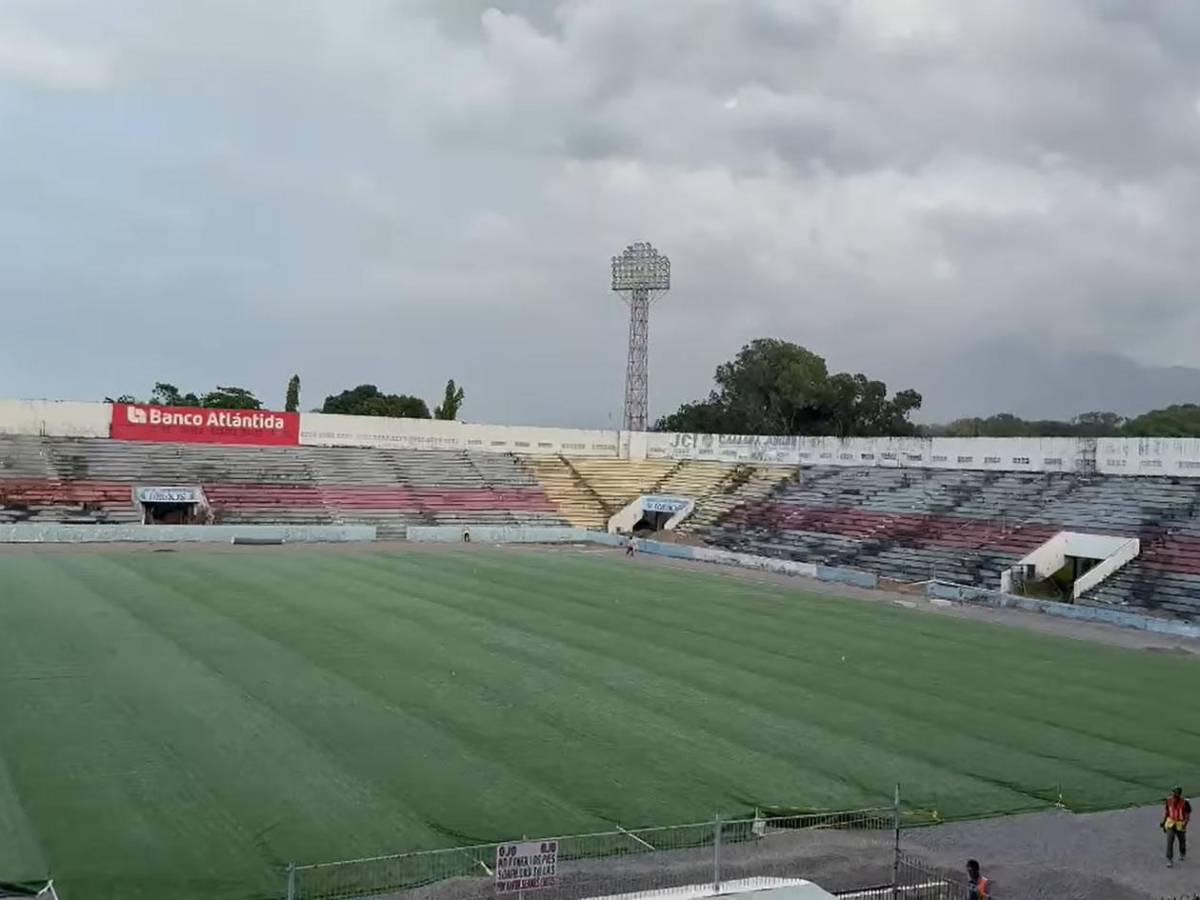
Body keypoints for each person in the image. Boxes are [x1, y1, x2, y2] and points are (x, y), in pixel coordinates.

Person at [1164, 785, 1191, 867]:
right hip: (1171, 823)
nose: (1173, 794)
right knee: (1170, 841)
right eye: (1173, 792)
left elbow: (1187, 815)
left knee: (1182, 840)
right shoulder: (1168, 801)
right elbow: (1167, 812)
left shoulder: (1185, 803)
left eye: (1175, 792)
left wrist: (1185, 824)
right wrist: (1164, 822)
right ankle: (1169, 859)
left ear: (1179, 793)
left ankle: (1182, 852)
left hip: (1180, 824)